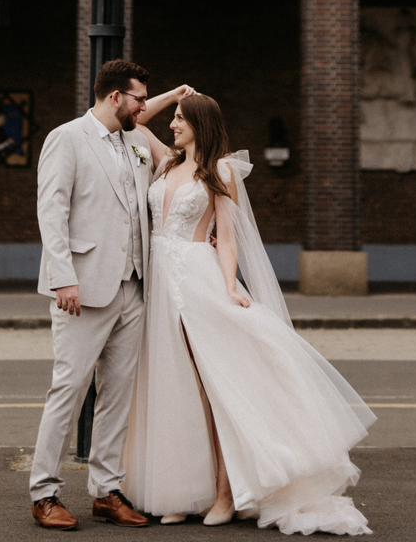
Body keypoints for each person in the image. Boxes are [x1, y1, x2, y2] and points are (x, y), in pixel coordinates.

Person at [124, 92, 376, 534]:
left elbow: (229, 235)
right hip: (160, 287)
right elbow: (137, 117)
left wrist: (228, 288)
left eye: (181, 119)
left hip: (197, 279)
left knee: (217, 388)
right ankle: (183, 493)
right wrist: (175, 94)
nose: (172, 125)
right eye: (175, 119)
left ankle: (225, 493)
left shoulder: (219, 170)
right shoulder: (165, 163)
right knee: (176, 388)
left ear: (201, 125)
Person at [29, 58, 196, 530]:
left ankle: (106, 490)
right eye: (140, 98)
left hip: (134, 287)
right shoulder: (67, 138)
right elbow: (52, 210)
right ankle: (44, 493)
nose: (146, 107)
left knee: (118, 396)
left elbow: (156, 147)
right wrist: (63, 277)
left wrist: (173, 97)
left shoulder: (136, 140)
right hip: (82, 287)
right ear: (115, 97)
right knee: (68, 389)